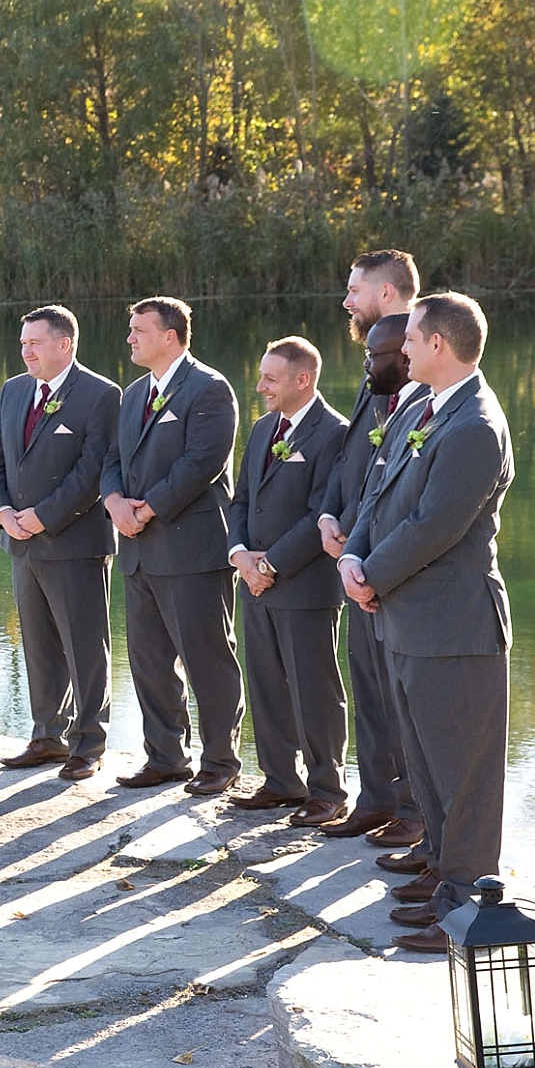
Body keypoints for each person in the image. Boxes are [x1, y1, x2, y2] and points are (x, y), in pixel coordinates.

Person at [340, 293, 514, 953]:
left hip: (455, 628)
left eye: (411, 338)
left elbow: (435, 527)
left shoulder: (474, 426)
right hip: (407, 621)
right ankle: (444, 884)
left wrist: (371, 575)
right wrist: (354, 556)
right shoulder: (419, 406)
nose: (401, 348)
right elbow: (376, 492)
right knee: (429, 768)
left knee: (464, 778)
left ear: (439, 344)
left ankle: (469, 913)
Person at [100, 297, 245, 797]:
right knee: (149, 661)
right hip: (138, 551)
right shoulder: (135, 392)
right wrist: (114, 500)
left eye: (139, 329)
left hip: (191, 548)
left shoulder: (209, 388)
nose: (130, 338)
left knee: (207, 658)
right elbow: (113, 456)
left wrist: (147, 508)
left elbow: (201, 462)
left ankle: (221, 760)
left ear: (170, 336)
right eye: (130, 329)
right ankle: (165, 757)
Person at [0, 304, 122, 781]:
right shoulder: (13, 390)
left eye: (34, 343)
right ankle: (47, 737)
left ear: (64, 344)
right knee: (38, 644)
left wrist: (43, 516)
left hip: (75, 542)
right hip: (20, 541)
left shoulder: (101, 395)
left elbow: (93, 470)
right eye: (23, 343)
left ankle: (90, 743)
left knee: (84, 645)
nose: (25, 352)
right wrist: (2, 514)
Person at [317, 250, 426, 844]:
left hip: (397, 563)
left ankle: (414, 811)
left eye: (355, 289)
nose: (346, 300)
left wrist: (376, 558)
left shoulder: (423, 362)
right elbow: (354, 452)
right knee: (369, 687)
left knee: (404, 692)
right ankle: (376, 797)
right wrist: (334, 516)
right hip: (356, 554)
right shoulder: (375, 362)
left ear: (388, 294)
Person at [225, 338, 349, 825]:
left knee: (313, 689)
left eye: (270, 379)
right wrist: (240, 557)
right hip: (254, 583)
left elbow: (324, 511)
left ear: (304, 379)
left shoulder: (335, 433)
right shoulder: (261, 430)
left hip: (304, 587)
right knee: (267, 686)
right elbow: (240, 501)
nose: (260, 388)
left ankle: (327, 790)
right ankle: (280, 781)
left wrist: (270, 565)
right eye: (261, 377)